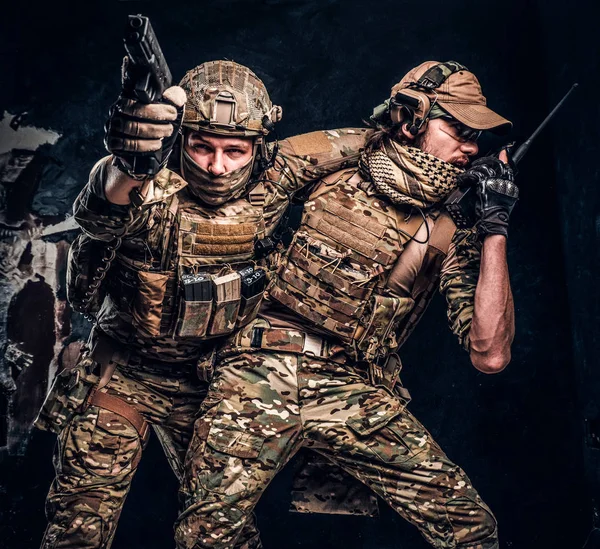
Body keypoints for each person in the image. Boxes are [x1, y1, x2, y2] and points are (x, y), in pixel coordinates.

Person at [175, 60, 519, 549]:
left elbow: (491, 353)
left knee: (471, 529)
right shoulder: (339, 156)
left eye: (476, 137)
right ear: (411, 118)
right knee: (207, 535)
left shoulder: (456, 225)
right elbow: (228, 214)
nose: (470, 146)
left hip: (349, 386)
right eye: (458, 129)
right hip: (256, 367)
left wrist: (494, 228)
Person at [34, 59, 368, 549]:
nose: (217, 166)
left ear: (258, 146)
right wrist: (129, 162)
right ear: (179, 140)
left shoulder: (274, 180)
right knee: (76, 530)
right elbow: (104, 207)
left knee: (218, 536)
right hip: (124, 374)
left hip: (210, 384)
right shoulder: (151, 188)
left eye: (235, 150)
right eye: (201, 146)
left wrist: (439, 141)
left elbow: (368, 141)